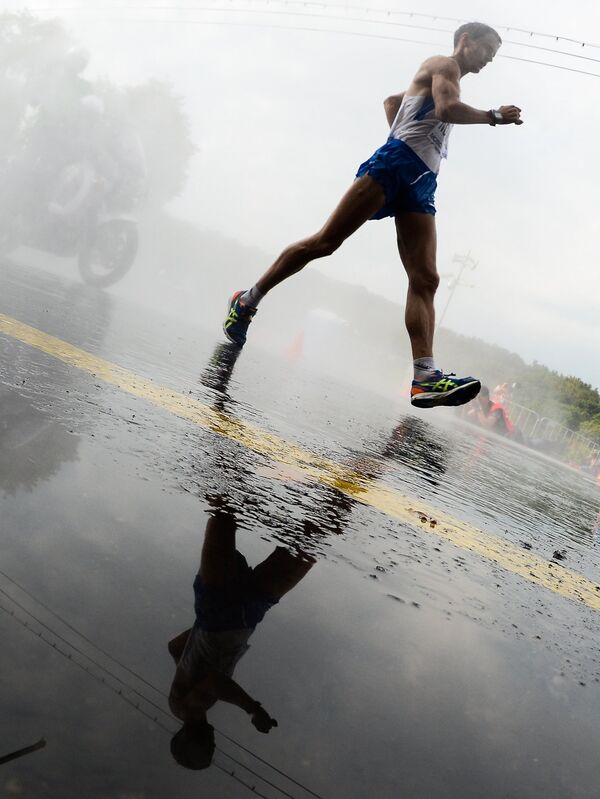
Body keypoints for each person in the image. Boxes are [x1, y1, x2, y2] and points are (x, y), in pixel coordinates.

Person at [223, 22, 522, 408]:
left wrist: (406, 130)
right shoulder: (443, 65)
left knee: (426, 278)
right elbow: (446, 108)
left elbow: (391, 102)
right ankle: (246, 301)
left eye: (493, 57)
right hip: (394, 166)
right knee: (325, 243)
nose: (488, 60)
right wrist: (493, 116)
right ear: (466, 41)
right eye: (486, 50)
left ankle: (425, 377)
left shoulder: (442, 76)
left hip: (421, 179)